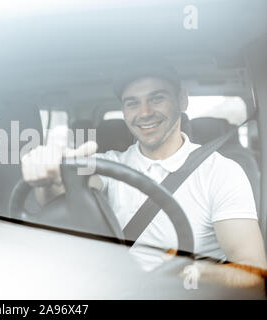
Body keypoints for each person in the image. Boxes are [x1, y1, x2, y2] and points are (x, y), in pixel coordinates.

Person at [21, 61, 267, 288]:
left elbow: (252, 271)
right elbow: (64, 195)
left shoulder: (222, 173)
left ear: (182, 100)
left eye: (156, 98)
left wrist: (193, 272)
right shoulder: (108, 164)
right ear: (124, 111)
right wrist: (49, 176)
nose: (144, 112)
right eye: (132, 103)